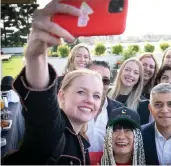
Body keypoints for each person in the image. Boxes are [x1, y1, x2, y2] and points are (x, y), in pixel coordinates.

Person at [2, 1, 102, 164]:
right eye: (81, 92)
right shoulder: (53, 131)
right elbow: (43, 106)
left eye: (97, 96)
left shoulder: (81, 141)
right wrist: (36, 57)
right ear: (61, 96)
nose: (90, 100)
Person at [86, 60, 124, 165]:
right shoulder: (74, 108)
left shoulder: (119, 109)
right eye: (95, 79)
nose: (100, 84)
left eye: (105, 80)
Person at [108, 58, 150, 125]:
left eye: (136, 73)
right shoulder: (107, 93)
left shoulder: (143, 104)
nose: (130, 74)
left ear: (139, 78)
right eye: (127, 70)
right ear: (121, 71)